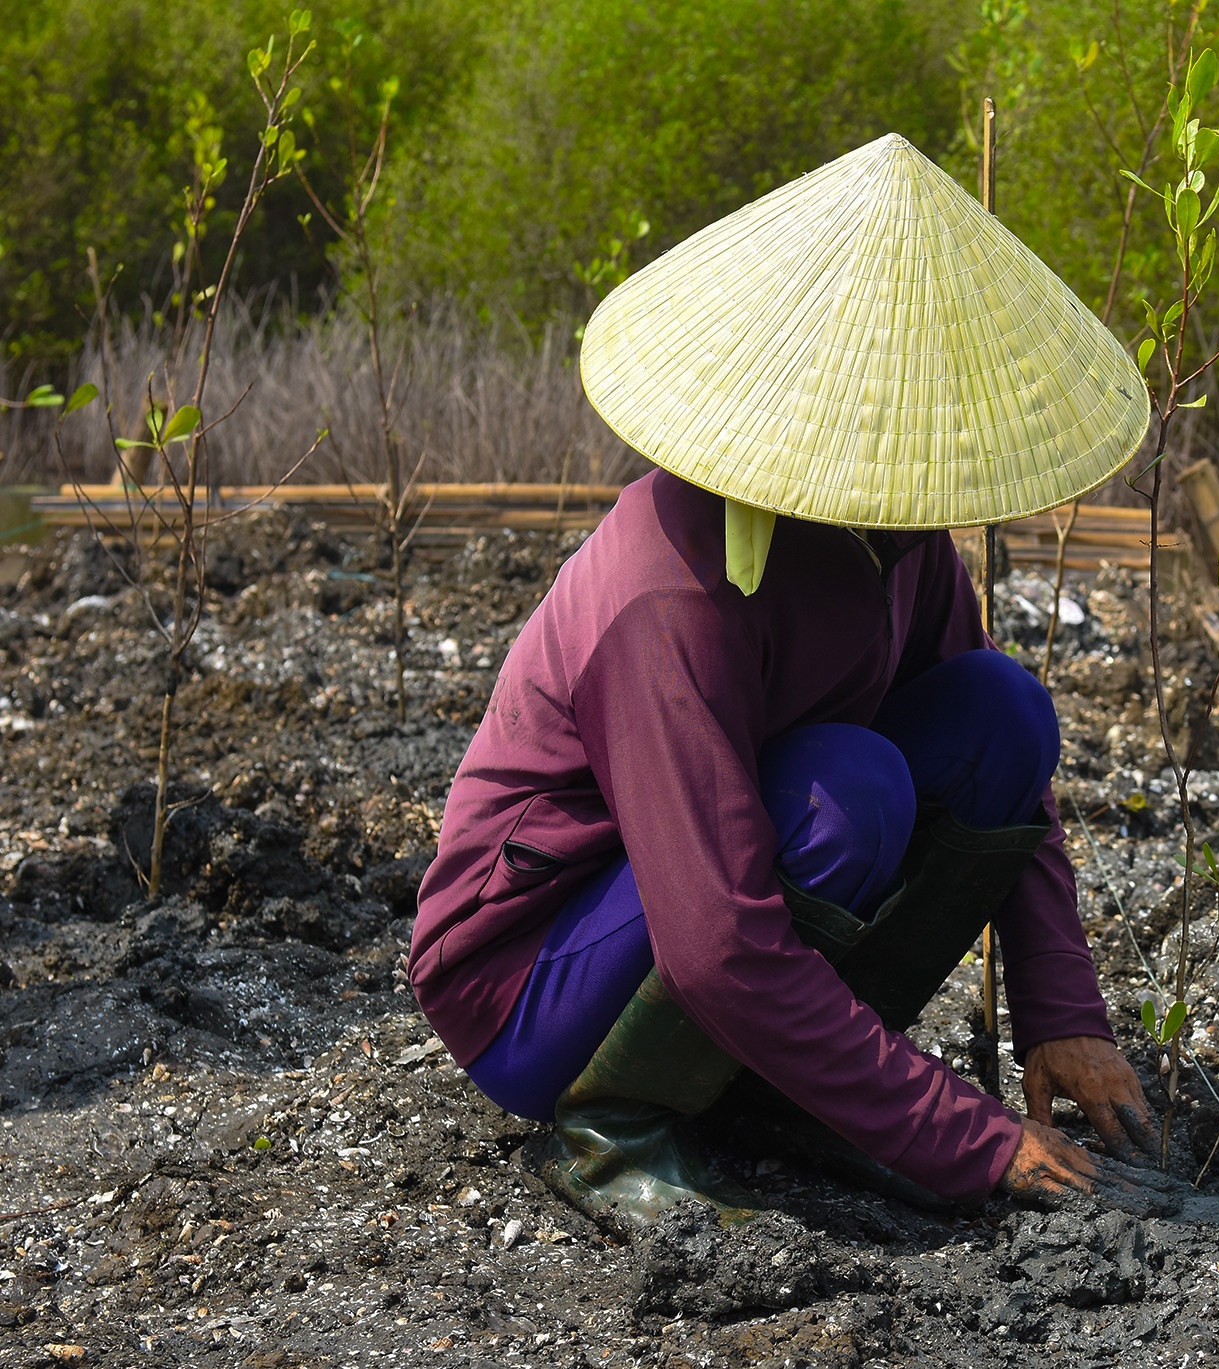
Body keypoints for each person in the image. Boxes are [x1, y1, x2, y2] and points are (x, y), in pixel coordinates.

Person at [409, 133, 1162, 1219]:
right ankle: (620, 1123)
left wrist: (1062, 1010)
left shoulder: (902, 550)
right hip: (531, 981)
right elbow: (717, 945)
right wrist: (962, 1135)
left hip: (708, 894)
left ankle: (778, 1083)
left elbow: (1012, 782)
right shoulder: (666, 599)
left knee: (1004, 711)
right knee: (849, 791)